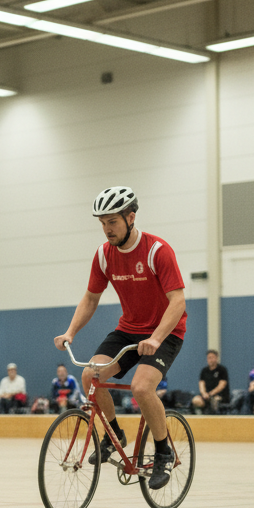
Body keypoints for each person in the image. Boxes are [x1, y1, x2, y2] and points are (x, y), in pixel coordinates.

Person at [54, 186, 186, 490]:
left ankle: (163, 451)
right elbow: (90, 298)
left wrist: (155, 338)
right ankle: (114, 435)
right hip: (128, 330)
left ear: (131, 217)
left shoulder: (156, 251)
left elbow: (177, 302)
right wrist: (70, 331)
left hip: (165, 332)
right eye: (102, 223)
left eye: (112, 222)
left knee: (141, 387)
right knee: (90, 376)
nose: (106, 229)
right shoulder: (104, 255)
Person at [192, 349, 229, 414]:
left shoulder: (222, 370)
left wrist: (211, 394)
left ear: (216, 358)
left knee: (215, 401)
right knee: (196, 400)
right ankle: (199, 417)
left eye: (212, 357)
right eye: (209, 358)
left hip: (219, 396)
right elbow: (201, 384)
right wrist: (204, 394)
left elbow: (222, 385)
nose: (210, 360)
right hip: (206, 396)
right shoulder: (204, 371)